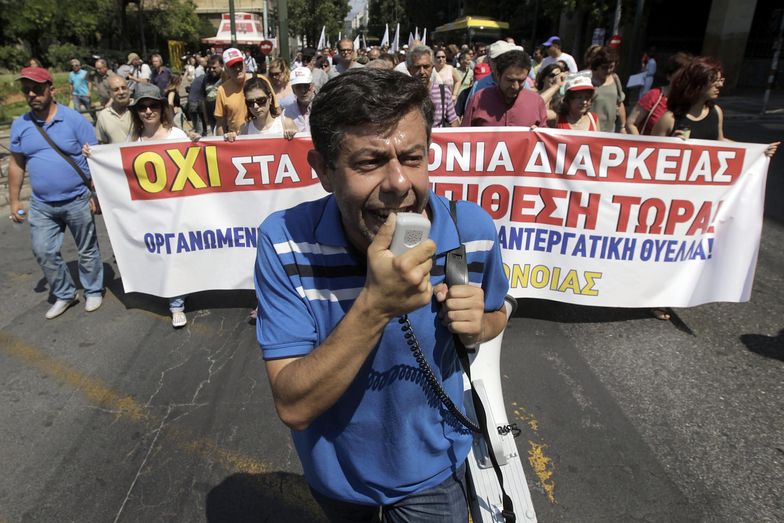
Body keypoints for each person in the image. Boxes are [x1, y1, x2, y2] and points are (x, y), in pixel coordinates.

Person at [255, 66, 508, 522]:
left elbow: (498, 313)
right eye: (369, 163)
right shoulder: (285, 243)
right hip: (337, 482)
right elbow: (293, 404)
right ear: (324, 171)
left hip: (434, 477)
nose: (398, 183)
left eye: (413, 158)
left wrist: (479, 325)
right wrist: (375, 306)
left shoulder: (471, 229)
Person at [8, 67, 104, 319]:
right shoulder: (20, 125)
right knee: (43, 251)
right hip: (42, 205)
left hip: (78, 199)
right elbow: (16, 164)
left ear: (52, 89)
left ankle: (93, 289)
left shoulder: (74, 120)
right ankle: (65, 294)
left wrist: (97, 194)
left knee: (87, 248)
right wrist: (15, 200)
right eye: (26, 89)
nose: (31, 94)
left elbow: (95, 159)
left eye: (37, 89)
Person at [129, 83, 194, 327]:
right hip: (150, 210)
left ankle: (185, 292)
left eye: (153, 105)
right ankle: (176, 303)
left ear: (162, 108)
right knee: (166, 254)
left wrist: (195, 142)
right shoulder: (132, 140)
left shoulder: (177, 135)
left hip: (178, 208)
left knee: (182, 253)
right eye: (142, 107)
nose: (148, 111)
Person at [652, 56, 779, 158]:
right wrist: (671, 145)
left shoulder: (716, 112)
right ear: (698, 83)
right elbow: (649, 154)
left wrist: (758, 151)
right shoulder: (669, 119)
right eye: (714, 81)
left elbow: (719, 140)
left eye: (721, 80)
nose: (720, 85)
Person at [463, 50, 547, 128]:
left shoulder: (536, 102)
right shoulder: (478, 99)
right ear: (498, 75)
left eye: (521, 81)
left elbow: (547, 138)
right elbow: (464, 136)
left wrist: (539, 134)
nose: (516, 86)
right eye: (510, 80)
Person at [626, 52, 692, 136]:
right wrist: (643, 146)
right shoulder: (654, 95)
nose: (685, 81)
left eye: (688, 77)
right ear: (669, 76)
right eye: (680, 77)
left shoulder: (691, 101)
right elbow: (631, 123)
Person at [224, 76, 297, 140]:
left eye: (261, 100)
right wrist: (232, 139)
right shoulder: (245, 129)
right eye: (250, 102)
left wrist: (293, 136)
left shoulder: (285, 123)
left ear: (270, 98)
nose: (256, 106)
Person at [407, 45, 459, 127]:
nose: (422, 71)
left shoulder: (443, 92)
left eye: (426, 67)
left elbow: (453, 121)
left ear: (432, 68)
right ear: (409, 70)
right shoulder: (403, 94)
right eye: (417, 67)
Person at [589, 47, 626, 133]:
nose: (608, 70)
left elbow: (619, 103)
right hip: (591, 129)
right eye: (604, 68)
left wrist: (622, 126)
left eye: (611, 67)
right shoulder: (587, 79)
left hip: (609, 130)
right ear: (597, 65)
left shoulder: (615, 78)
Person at [215, 48, 247, 136]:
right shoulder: (222, 90)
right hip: (236, 141)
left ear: (245, 64)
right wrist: (222, 146)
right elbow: (220, 123)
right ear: (226, 70)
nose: (237, 68)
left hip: (261, 137)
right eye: (233, 66)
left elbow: (276, 110)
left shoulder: (260, 80)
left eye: (239, 64)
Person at [95, 75, 132, 144]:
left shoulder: (142, 110)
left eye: (124, 88)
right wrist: (89, 150)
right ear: (110, 94)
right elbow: (101, 143)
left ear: (129, 90)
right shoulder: (104, 115)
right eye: (116, 90)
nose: (121, 92)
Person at [284, 67, 315, 132]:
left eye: (306, 86)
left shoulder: (323, 108)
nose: (303, 90)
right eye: (298, 87)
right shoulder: (286, 113)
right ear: (293, 90)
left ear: (313, 86)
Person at [203, 54, 223, 134]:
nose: (211, 70)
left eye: (214, 67)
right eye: (210, 67)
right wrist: (206, 120)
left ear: (221, 66)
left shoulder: (226, 78)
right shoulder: (206, 79)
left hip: (224, 117)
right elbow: (203, 99)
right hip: (211, 116)